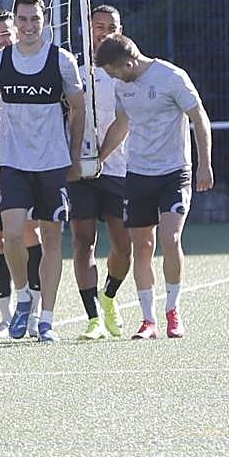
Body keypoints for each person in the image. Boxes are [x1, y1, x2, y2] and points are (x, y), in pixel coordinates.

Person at [0, 0, 85, 343]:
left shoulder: (62, 60)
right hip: (13, 160)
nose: (29, 26)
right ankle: (24, 296)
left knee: (52, 237)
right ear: (15, 22)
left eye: (35, 19)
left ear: (45, 21)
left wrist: (74, 155)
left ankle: (47, 319)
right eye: (23, 19)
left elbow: (78, 108)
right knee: (12, 234)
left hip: (52, 162)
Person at [96, 34, 212, 339]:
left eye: (113, 71)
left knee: (170, 238)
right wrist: (99, 158)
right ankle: (148, 320)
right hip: (138, 174)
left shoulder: (172, 77)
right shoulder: (122, 86)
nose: (111, 77)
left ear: (129, 63)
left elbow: (199, 116)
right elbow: (121, 124)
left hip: (174, 172)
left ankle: (173, 311)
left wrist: (205, 164)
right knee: (143, 246)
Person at [0, 11, 43, 340]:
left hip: (28, 163)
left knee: (29, 232)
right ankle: (7, 317)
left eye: (5, 32)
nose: (1, 39)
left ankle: (34, 310)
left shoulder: (33, 66)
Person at [68, 5, 132, 339]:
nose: (104, 32)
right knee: (83, 241)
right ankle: (93, 318)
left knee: (124, 245)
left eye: (111, 27)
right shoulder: (76, 73)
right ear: (88, 29)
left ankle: (109, 296)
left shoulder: (127, 75)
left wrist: (102, 157)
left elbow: (124, 122)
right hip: (81, 171)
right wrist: (76, 159)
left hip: (117, 169)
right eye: (98, 26)